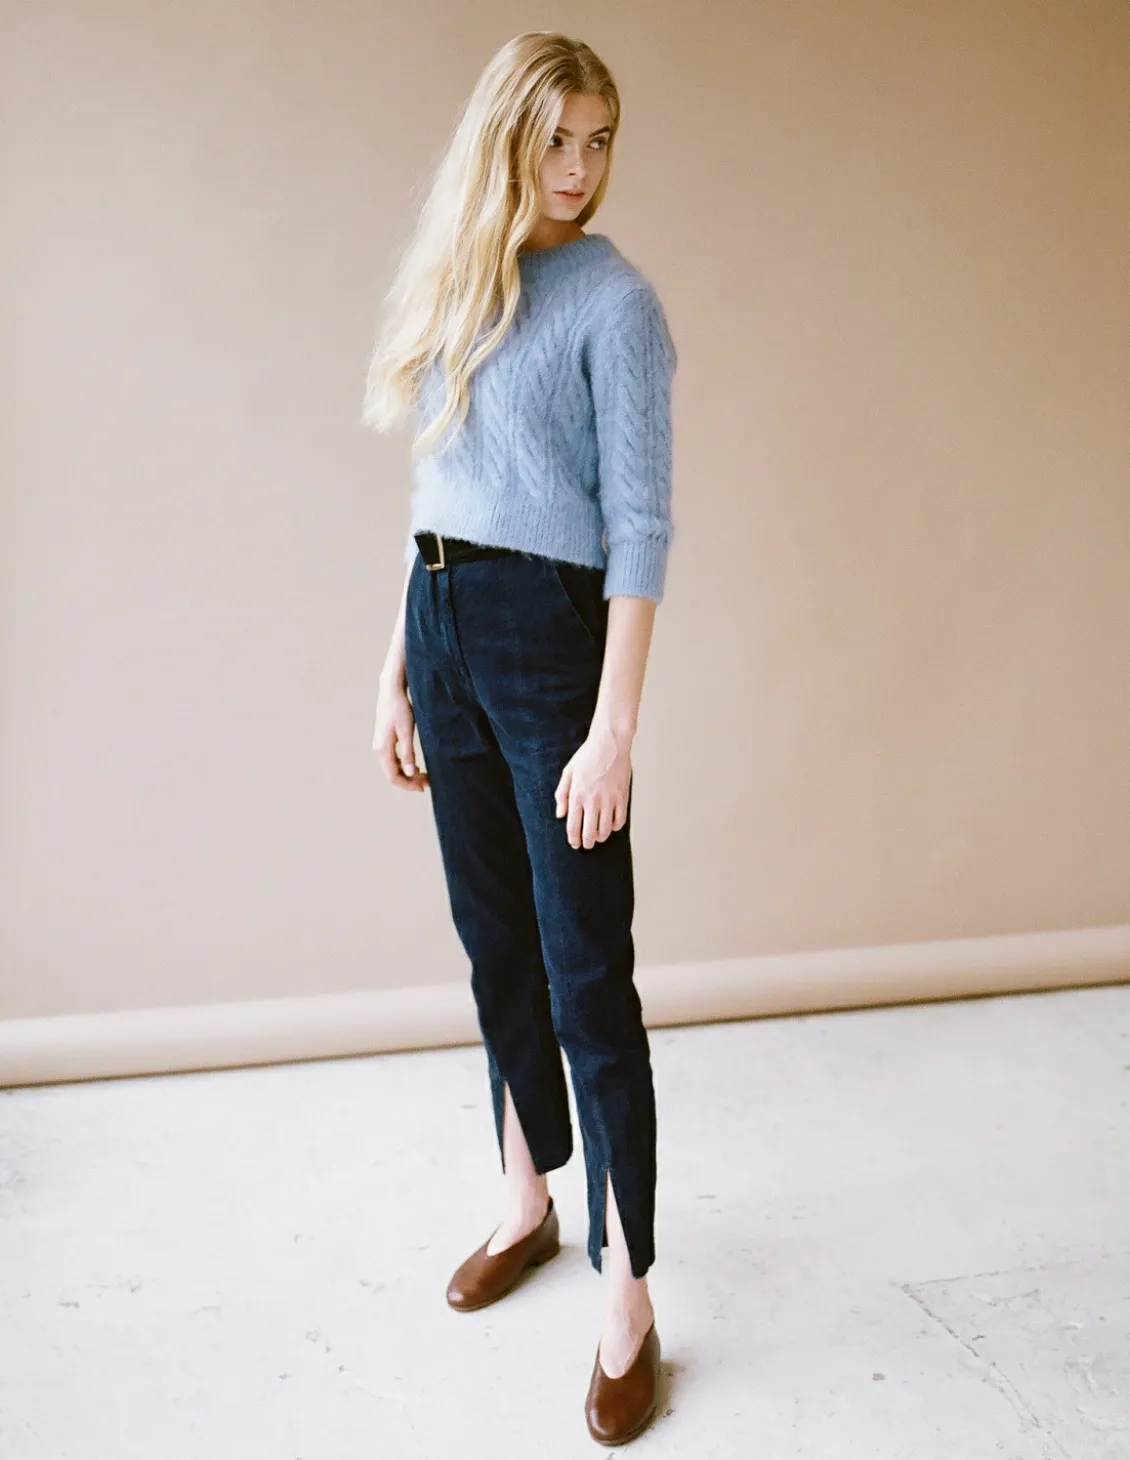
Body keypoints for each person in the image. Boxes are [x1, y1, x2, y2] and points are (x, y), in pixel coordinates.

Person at [363, 30, 675, 1447]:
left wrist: (613, 730)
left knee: (585, 972)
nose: (579, 167)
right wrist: (394, 669)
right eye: (557, 139)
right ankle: (526, 1201)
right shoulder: (462, 285)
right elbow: (434, 497)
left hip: (551, 643)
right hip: (441, 624)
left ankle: (629, 1295)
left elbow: (641, 530)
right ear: (506, 138)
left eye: (599, 141)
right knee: (495, 946)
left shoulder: (617, 305)